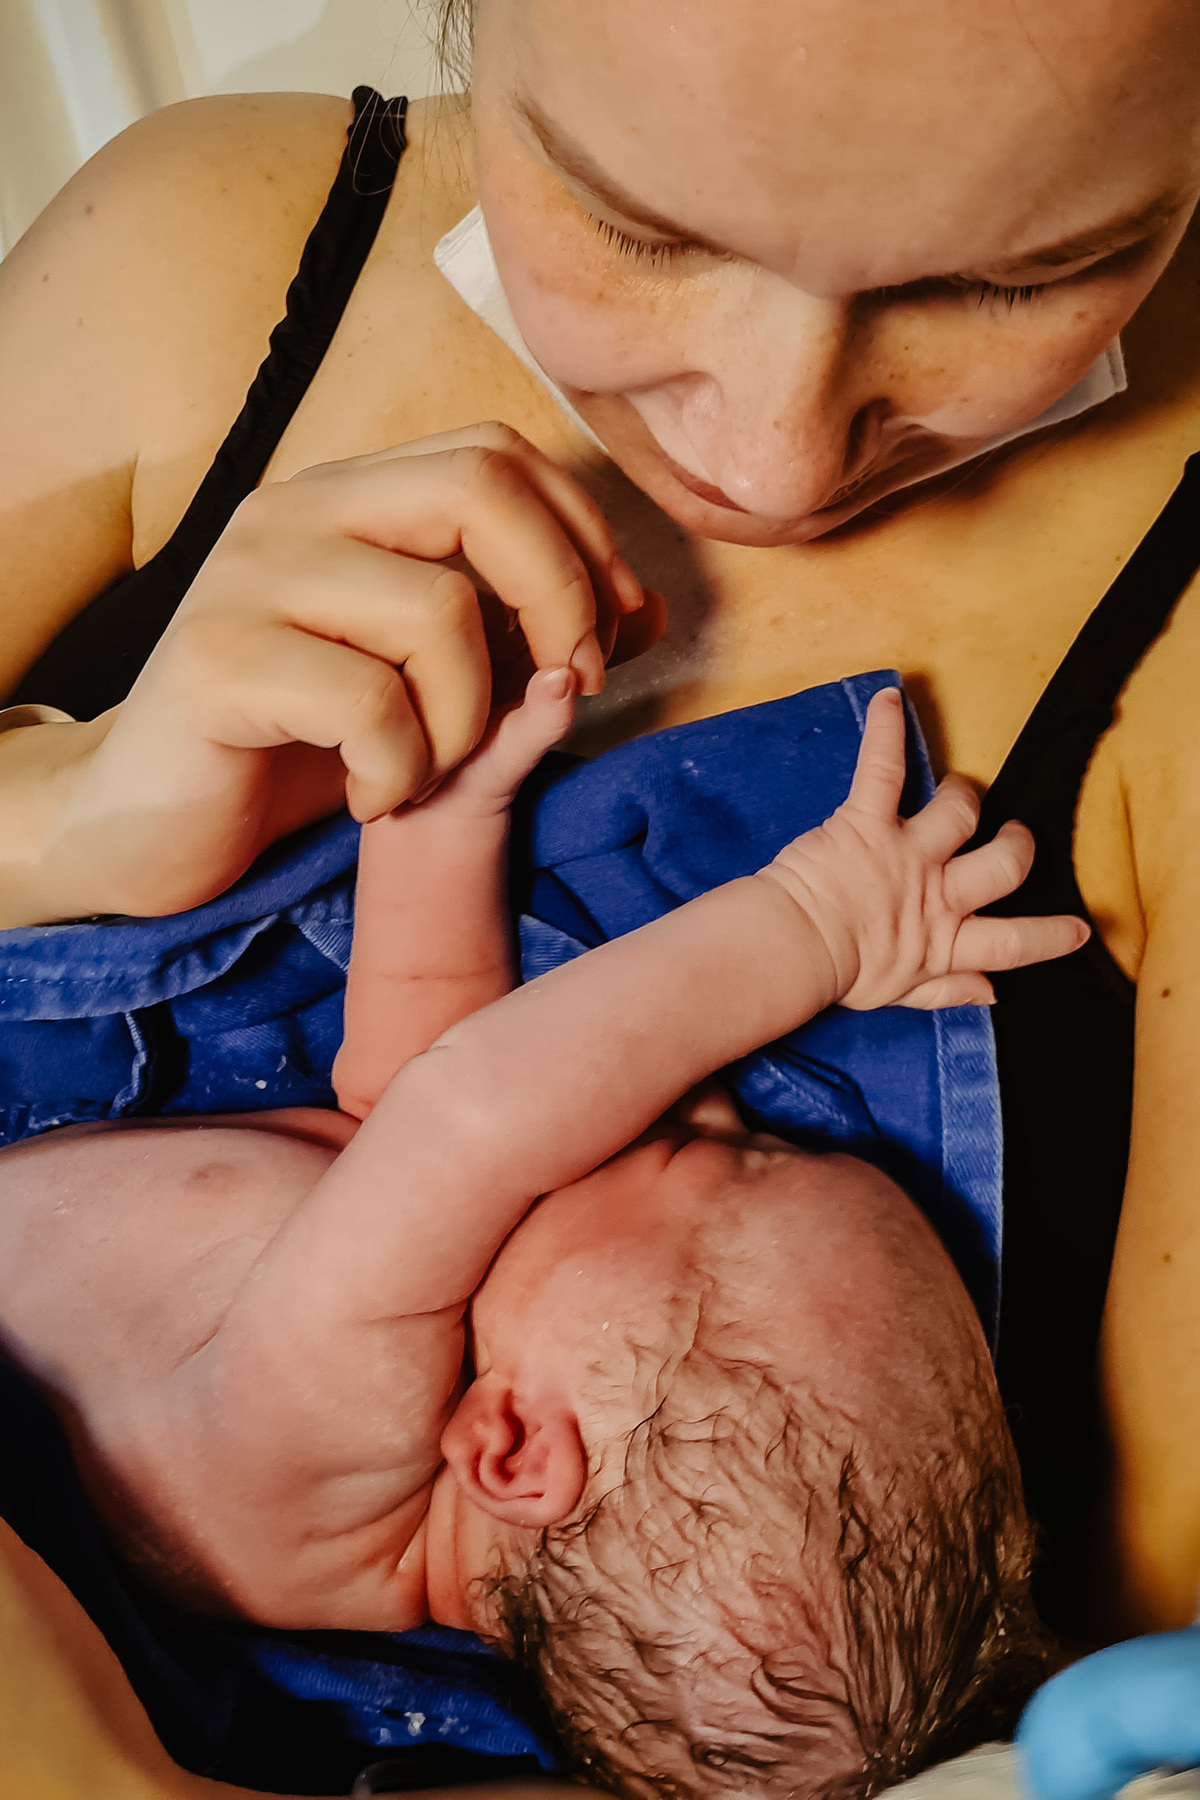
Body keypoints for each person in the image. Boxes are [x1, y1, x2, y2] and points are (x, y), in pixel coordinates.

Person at [3, 0, 1200, 1654]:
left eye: (1014, 277)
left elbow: (467, 1115)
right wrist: (63, 821)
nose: (769, 461)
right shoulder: (211, 270)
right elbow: (419, 1095)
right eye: (637, 225)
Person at [0, 683, 1085, 1799]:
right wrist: (449, 817)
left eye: (709, 1160)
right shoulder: (428, 1449)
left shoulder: (318, 1443)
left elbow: (465, 1114)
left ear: (516, 1449)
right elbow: (403, 1088)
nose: (711, 1102)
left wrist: (813, 930)